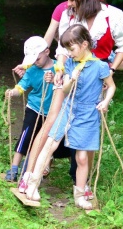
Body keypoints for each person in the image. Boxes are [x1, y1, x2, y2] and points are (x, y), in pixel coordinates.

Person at [18, 0, 123, 198]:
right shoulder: (68, 15)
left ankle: (83, 184)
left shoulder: (113, 15)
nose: (68, 4)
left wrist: (109, 71)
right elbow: (61, 50)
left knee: (88, 130)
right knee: (51, 121)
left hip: (94, 78)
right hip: (69, 74)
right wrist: (59, 70)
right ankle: (29, 177)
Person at [25, 24, 116, 210]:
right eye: (67, 49)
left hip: (88, 114)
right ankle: (32, 185)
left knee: (82, 157)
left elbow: (111, 86)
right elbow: (64, 89)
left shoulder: (100, 66)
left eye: (72, 49)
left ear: (84, 45)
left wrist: (105, 102)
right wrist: (71, 78)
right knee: (50, 144)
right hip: (69, 108)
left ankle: (80, 195)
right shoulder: (70, 64)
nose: (70, 53)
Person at [4, 36, 56, 182]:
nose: (35, 63)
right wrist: (12, 92)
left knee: (46, 140)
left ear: (47, 51)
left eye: (37, 59)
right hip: (34, 108)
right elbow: (21, 87)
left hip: (52, 112)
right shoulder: (32, 70)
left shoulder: (59, 67)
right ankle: (14, 167)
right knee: (25, 136)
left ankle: (40, 166)